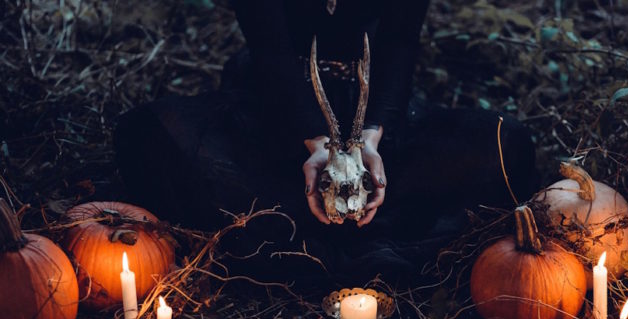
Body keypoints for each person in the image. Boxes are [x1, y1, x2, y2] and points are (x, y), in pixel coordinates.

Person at [114, 0, 537, 282]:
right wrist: (317, 142)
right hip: (279, 108)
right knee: (148, 137)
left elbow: (400, 42)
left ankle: (306, 226)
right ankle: (345, 232)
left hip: (378, 113)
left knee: (507, 147)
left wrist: (371, 136)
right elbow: (270, 49)